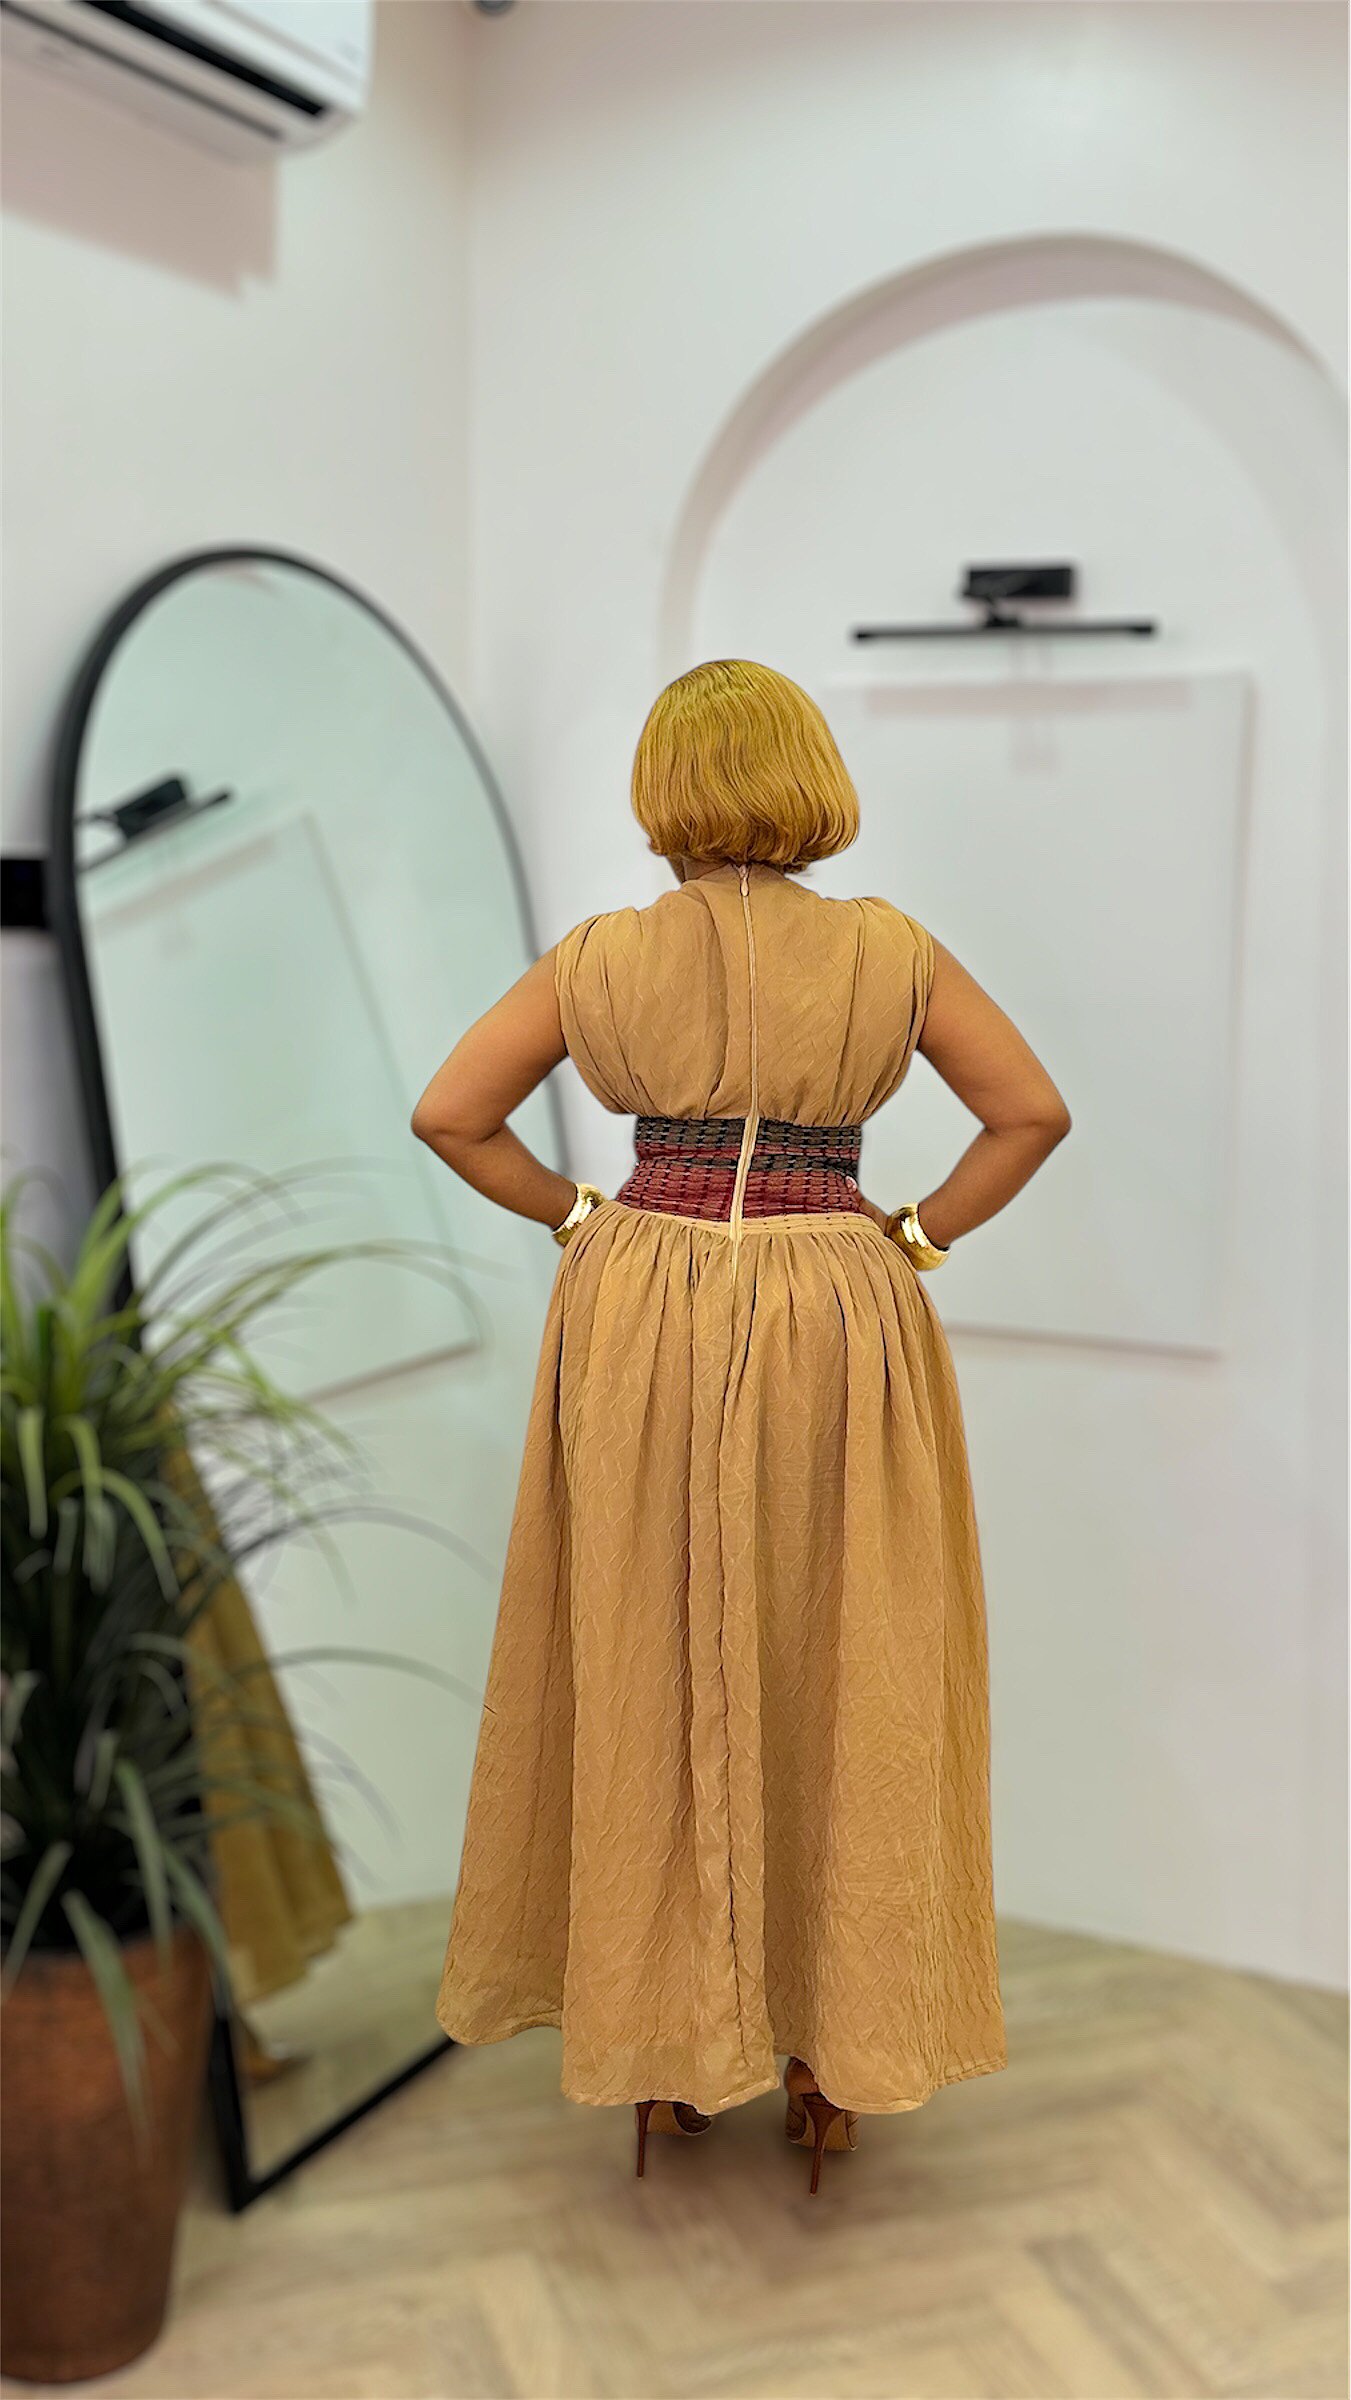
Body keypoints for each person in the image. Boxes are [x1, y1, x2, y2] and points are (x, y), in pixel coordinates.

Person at [413, 659, 1071, 2195]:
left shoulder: (603, 954)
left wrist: (577, 1211)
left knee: (645, 1648)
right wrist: (914, 1238)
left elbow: (450, 1114)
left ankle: (663, 2052)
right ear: (809, 775)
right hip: (836, 1305)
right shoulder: (889, 949)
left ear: (663, 788)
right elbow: (1029, 1111)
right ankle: (829, 2054)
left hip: (642, 1299)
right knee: (844, 1655)